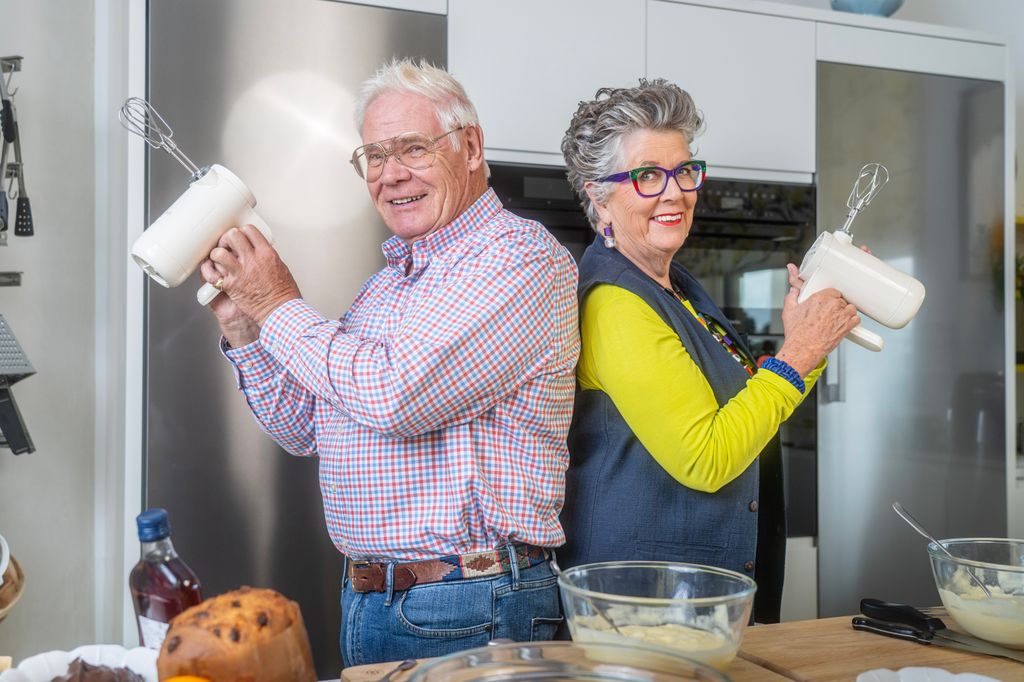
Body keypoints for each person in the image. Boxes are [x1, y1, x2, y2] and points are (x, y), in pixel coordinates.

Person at [198, 59, 580, 666]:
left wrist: (277, 303)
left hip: (471, 602)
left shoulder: (517, 260)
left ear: (472, 146)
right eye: (374, 156)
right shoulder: (387, 286)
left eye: (412, 149)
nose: (391, 174)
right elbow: (305, 428)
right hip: (369, 599)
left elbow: (396, 396)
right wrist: (245, 324)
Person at [557, 79, 859, 623]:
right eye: (647, 175)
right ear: (598, 194)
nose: (674, 192)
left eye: (684, 170)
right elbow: (706, 456)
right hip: (642, 605)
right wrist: (800, 350)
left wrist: (806, 342)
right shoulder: (615, 304)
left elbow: (755, 407)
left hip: (693, 596)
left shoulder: (678, 288)